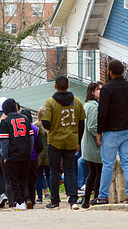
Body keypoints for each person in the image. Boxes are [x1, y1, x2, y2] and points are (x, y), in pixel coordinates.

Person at [96, 60, 128, 205]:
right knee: (127, 161)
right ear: (123, 71)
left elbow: (102, 113)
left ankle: (103, 196)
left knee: (108, 164)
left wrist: (99, 131)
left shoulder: (107, 89)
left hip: (111, 131)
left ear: (110, 72)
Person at [41, 75, 86, 209]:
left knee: (54, 171)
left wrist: (55, 127)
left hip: (55, 141)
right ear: (68, 86)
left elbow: (46, 123)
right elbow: (81, 123)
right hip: (71, 141)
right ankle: (73, 200)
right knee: (70, 170)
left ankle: (55, 201)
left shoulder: (50, 102)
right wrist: (78, 140)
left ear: (55, 86)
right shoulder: (77, 101)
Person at [81, 81, 103, 208]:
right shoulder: (94, 106)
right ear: (92, 92)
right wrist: (101, 136)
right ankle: (96, 197)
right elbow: (93, 126)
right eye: (99, 89)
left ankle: (87, 200)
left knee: (92, 173)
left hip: (88, 145)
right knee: (97, 172)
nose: (101, 91)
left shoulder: (88, 105)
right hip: (94, 145)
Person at [35, 107, 50, 203]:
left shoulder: (36, 125)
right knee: (49, 175)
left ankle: (39, 197)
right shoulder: (49, 126)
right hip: (49, 153)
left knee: (39, 176)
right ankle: (53, 195)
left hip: (39, 154)